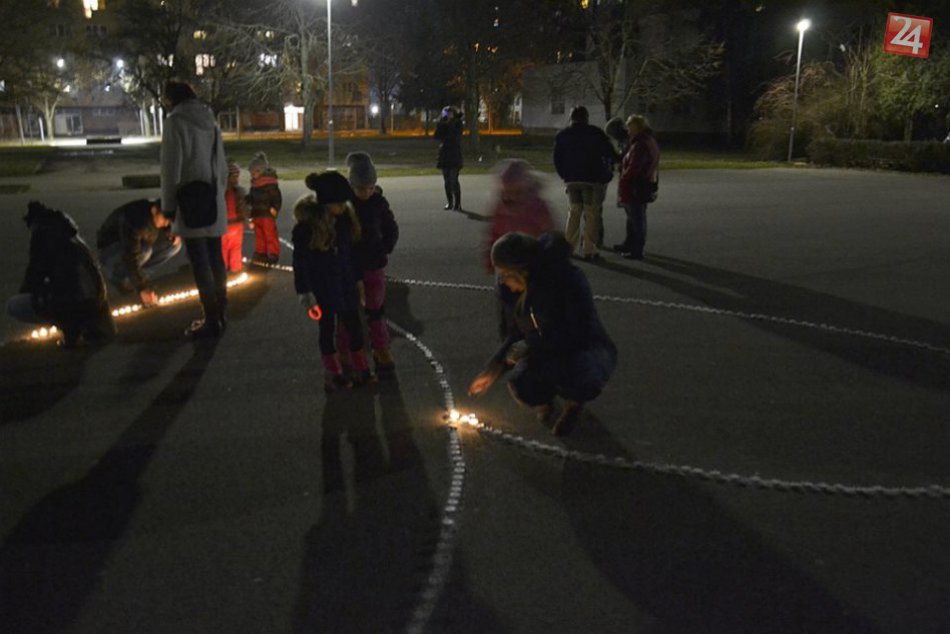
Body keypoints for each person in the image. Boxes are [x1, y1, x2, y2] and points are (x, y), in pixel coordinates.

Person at [468, 231, 617, 436]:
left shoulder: (567, 281)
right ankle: (546, 400)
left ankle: (574, 402)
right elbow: (513, 333)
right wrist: (494, 369)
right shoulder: (510, 290)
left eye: (505, 275)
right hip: (543, 347)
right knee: (522, 383)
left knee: (580, 373)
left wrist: (530, 345)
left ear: (523, 271)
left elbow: (578, 333)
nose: (502, 282)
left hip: (585, 350)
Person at [294, 171, 376, 391]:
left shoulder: (345, 222)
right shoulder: (307, 228)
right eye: (338, 204)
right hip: (323, 288)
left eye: (343, 203)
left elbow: (352, 254)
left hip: (346, 284)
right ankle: (333, 372)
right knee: (327, 329)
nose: (342, 207)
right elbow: (300, 262)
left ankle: (361, 367)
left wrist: (358, 280)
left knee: (354, 327)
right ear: (326, 203)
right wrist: (305, 293)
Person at [160, 79, 229, 339]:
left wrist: (168, 207)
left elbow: (170, 168)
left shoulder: (175, 122)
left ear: (172, 99)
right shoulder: (210, 120)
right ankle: (221, 312)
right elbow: (221, 164)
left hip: (189, 200)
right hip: (212, 198)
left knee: (200, 263)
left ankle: (211, 319)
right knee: (216, 259)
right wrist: (218, 194)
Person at [8, 201, 115, 348]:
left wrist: (29, 294)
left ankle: (71, 327)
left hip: (74, 301)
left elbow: (34, 275)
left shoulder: (42, 236)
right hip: (96, 300)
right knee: (71, 288)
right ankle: (89, 325)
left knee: (14, 305)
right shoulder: (72, 235)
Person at [344, 151, 399, 374]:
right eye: (360, 189)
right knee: (350, 311)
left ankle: (381, 348)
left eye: (369, 188)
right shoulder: (346, 207)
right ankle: (350, 352)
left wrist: (385, 247)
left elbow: (391, 228)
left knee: (376, 309)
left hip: (374, 265)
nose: (365, 193)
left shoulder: (379, 204)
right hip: (351, 267)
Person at [553, 106, 615, 261]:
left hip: (572, 180)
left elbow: (557, 159)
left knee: (574, 212)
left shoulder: (562, 136)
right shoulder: (596, 133)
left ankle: (569, 247)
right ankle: (589, 249)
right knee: (591, 214)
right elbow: (609, 153)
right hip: (591, 180)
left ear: (571, 118)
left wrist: (565, 175)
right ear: (586, 118)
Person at [96, 198, 182, 306]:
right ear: (155, 210)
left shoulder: (158, 217)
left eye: (169, 221)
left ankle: (137, 279)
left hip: (136, 248)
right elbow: (130, 255)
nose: (166, 224)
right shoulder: (135, 220)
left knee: (173, 246)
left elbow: (165, 226)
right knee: (145, 251)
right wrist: (142, 288)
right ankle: (118, 277)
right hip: (110, 252)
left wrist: (171, 233)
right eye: (165, 219)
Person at [483, 159, 554, 272]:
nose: (511, 197)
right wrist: (490, 258)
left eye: (517, 192)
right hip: (507, 264)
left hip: (532, 262)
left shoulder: (536, 207)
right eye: (507, 192)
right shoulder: (501, 208)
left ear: (525, 189)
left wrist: (549, 260)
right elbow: (494, 234)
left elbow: (549, 235)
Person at [615, 114, 660, 261]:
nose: (627, 130)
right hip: (642, 184)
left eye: (630, 126)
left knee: (636, 218)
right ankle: (630, 243)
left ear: (637, 127)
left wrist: (624, 176)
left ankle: (636, 249)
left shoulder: (640, 144)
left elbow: (634, 167)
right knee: (633, 216)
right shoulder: (647, 141)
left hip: (636, 185)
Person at [246, 151, 282, 264]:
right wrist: (247, 200)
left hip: (267, 213)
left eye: (253, 172)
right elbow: (252, 197)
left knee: (270, 233)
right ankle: (260, 251)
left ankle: (273, 253)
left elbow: (277, 198)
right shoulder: (255, 184)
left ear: (260, 171)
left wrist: (275, 208)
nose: (252, 175)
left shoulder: (270, 184)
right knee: (259, 233)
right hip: (257, 212)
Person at [221, 160, 249, 274]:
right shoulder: (240, 191)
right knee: (236, 247)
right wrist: (248, 219)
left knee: (222, 248)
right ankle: (235, 266)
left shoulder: (219, 192)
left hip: (222, 225)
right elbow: (244, 208)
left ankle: (222, 267)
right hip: (237, 225)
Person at [434, 106, 463, 211]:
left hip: (454, 154)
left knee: (453, 179)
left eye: (450, 113)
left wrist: (450, 122)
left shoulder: (457, 123)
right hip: (444, 154)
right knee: (446, 180)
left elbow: (455, 135)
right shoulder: (442, 123)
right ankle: (450, 202)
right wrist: (441, 123)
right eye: (446, 113)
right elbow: (437, 136)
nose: (448, 115)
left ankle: (458, 203)